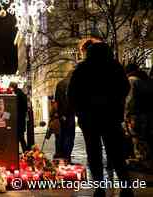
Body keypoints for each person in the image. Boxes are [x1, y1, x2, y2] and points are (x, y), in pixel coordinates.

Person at [68, 42, 133, 197]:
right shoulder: (115, 67)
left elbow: (72, 94)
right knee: (116, 153)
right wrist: (116, 103)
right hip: (111, 117)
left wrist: (80, 111)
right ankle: (126, 187)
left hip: (89, 118)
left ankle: (99, 187)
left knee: (94, 153)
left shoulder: (82, 69)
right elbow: (125, 88)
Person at [54, 70, 76, 161]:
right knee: (69, 136)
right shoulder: (72, 85)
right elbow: (69, 101)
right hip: (69, 114)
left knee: (61, 135)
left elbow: (57, 101)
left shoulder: (59, 84)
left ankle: (60, 153)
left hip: (61, 114)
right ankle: (66, 155)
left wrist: (59, 113)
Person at [9, 82, 28, 153]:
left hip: (18, 120)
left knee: (19, 137)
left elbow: (14, 107)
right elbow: (25, 108)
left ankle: (24, 151)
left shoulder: (16, 95)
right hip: (21, 120)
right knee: (20, 137)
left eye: (10, 87)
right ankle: (24, 151)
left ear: (12, 87)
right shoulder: (22, 94)